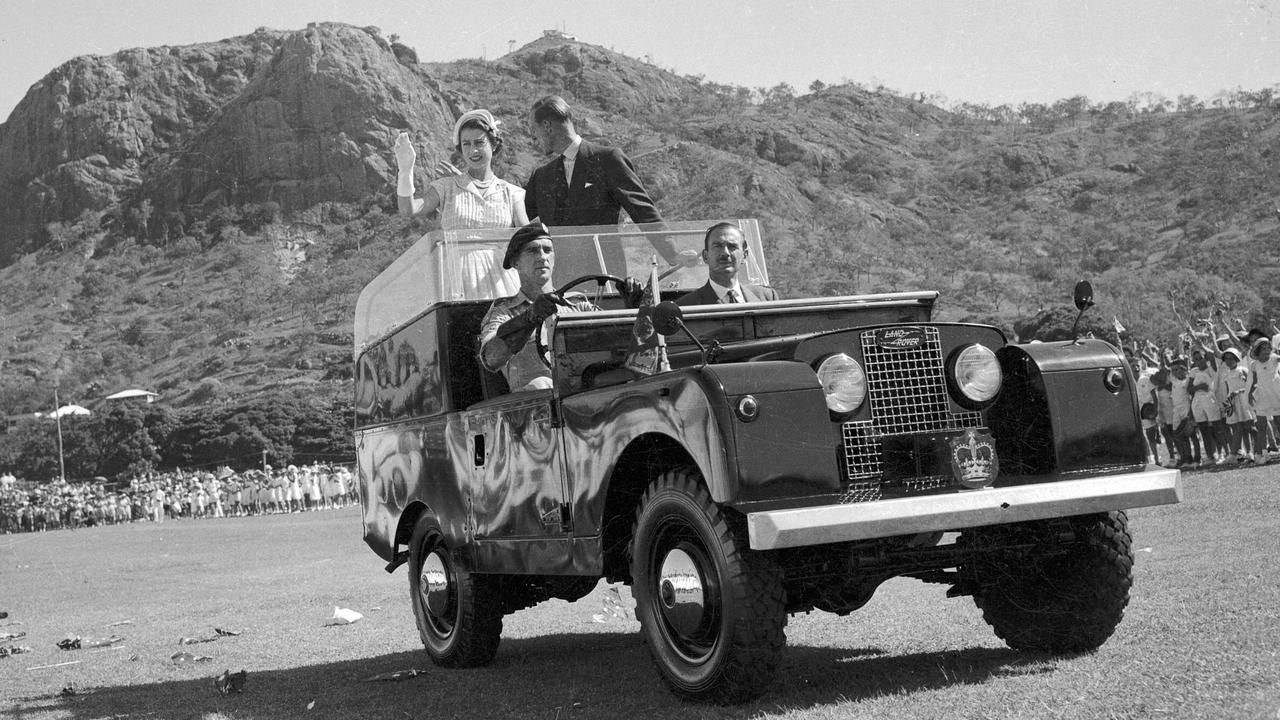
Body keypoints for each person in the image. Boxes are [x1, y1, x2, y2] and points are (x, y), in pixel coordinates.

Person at [523, 95, 691, 274]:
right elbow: (518, 221)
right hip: (557, 281)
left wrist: (674, 254)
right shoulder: (541, 176)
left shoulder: (607, 160)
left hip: (604, 277)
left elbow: (643, 211)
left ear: (548, 126)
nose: (533, 138)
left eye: (534, 130)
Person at [394, 109, 529, 294]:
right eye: (466, 144)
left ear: (494, 144)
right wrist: (405, 171)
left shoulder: (511, 192)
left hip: (502, 282)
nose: (473, 150)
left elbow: (528, 239)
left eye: (479, 143)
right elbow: (408, 209)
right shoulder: (446, 186)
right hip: (457, 281)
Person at [479, 222, 595, 392]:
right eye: (532, 250)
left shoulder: (577, 305)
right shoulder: (504, 311)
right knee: (542, 384)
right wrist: (529, 317)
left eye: (548, 250)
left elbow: (614, 345)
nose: (542, 257)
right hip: (536, 410)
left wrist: (635, 306)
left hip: (585, 395)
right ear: (515, 262)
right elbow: (491, 358)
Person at [676, 222, 779, 306]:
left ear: (744, 255)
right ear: (705, 256)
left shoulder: (767, 298)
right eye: (718, 246)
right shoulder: (686, 307)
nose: (725, 253)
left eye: (732, 246)